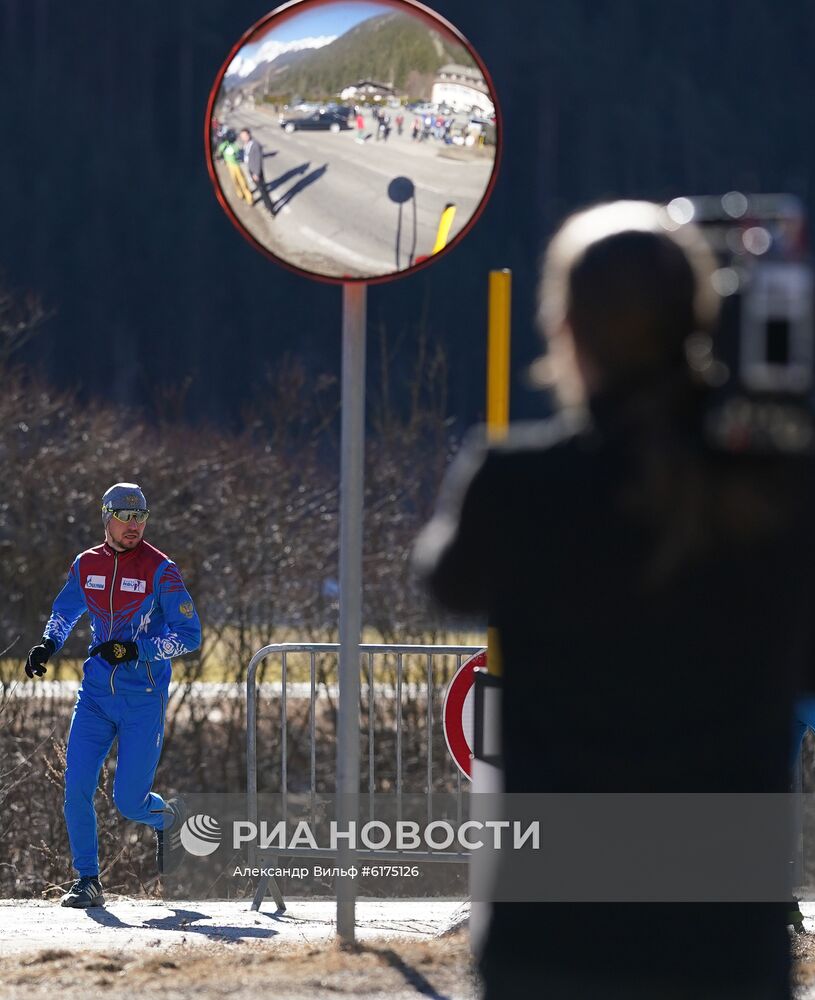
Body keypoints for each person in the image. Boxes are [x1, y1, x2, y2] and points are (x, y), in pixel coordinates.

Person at [415, 201, 814, 998]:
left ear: (564, 328)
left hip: (551, 936)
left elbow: (445, 580)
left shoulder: (517, 484)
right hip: (721, 944)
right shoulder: (772, 503)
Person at [25, 483, 201, 908]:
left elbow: (189, 637)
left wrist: (136, 649)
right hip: (95, 696)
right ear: (106, 517)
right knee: (77, 788)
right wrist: (48, 644)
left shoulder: (162, 569)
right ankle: (87, 880)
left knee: (129, 802)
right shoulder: (87, 564)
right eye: (125, 516)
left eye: (141, 517)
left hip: (143, 697)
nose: (134, 525)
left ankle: (169, 817)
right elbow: (65, 611)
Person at [239, 128, 275, 216]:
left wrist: (256, 173)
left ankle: (271, 210)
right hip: (251, 171)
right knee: (260, 189)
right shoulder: (246, 144)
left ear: (249, 135)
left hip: (256, 172)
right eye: (242, 136)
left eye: (245, 136)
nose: (243, 138)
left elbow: (259, 160)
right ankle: (267, 205)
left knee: (263, 190)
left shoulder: (255, 144)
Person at [216, 128, 253, 206]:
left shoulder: (224, 145)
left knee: (236, 181)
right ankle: (248, 198)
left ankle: (241, 195)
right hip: (235, 166)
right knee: (242, 181)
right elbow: (240, 156)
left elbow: (220, 152)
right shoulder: (233, 146)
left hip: (230, 165)